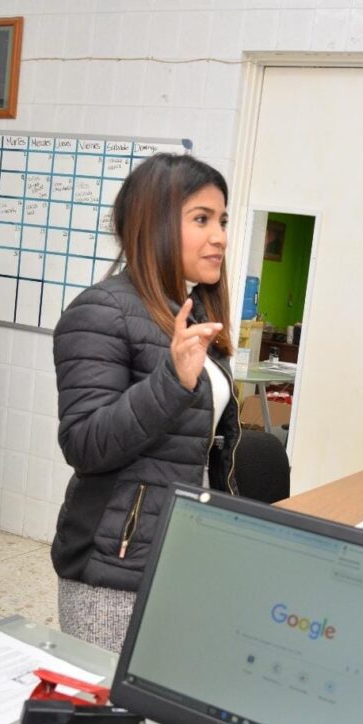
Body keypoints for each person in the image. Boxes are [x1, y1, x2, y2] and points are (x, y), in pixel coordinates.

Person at [51, 153, 240, 652]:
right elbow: (85, 444)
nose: (219, 236)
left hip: (183, 559)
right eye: (201, 219)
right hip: (115, 570)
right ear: (153, 224)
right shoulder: (101, 310)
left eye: (222, 220)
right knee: (112, 720)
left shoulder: (187, 312)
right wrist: (172, 382)